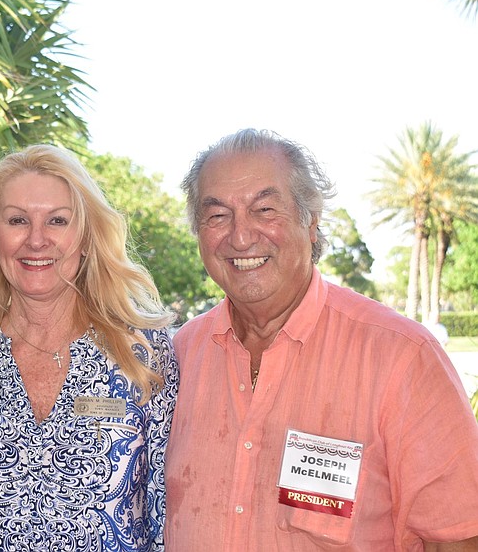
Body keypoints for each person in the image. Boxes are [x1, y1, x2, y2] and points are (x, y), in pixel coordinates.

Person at [165, 128, 478, 551]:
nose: (240, 237)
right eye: (217, 215)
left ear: (310, 222)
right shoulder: (179, 356)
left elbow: (456, 539)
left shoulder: (403, 359)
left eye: (265, 209)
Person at [0, 144, 178, 551]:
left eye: (57, 221)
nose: (37, 240)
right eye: (17, 220)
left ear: (85, 237)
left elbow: (168, 512)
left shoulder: (142, 351)